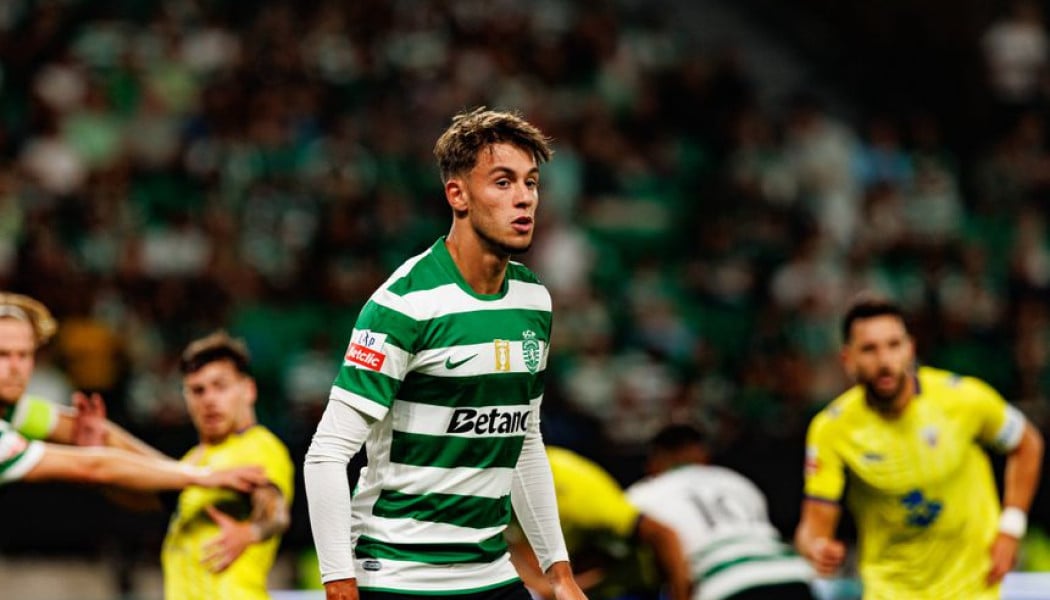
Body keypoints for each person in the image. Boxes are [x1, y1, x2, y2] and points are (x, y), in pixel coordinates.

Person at [304, 107, 588, 599]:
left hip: (491, 572)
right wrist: (339, 582)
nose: (524, 198)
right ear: (457, 195)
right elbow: (326, 454)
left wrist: (558, 573)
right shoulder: (404, 305)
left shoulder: (533, 301)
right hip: (397, 575)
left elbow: (523, 440)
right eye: (503, 182)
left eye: (531, 183)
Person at [794, 295, 1044, 599]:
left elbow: (1027, 443)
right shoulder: (831, 429)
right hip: (891, 591)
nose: (884, 361)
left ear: (910, 348)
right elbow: (813, 527)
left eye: (893, 345)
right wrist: (816, 548)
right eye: (869, 349)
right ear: (847, 359)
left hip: (975, 585)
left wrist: (1011, 529)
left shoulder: (962, 399)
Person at [0, 291, 266, 493]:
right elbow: (93, 467)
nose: (15, 368)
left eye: (24, 355)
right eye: (2, 355)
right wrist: (199, 476)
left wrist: (179, 473)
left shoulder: (14, 408)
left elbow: (86, 430)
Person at [157, 330, 295, 600]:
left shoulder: (259, 446)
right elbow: (151, 473)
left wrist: (250, 532)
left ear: (248, 390)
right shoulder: (194, 459)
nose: (208, 399)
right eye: (197, 390)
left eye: (220, 386)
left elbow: (276, 513)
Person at [627, 424, 814, 600]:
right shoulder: (736, 480)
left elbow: (668, 549)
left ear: (653, 463)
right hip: (791, 572)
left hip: (721, 581)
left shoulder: (642, 494)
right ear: (703, 455)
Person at [507, 445, 692, 600]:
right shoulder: (500, 498)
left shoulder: (574, 495)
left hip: (637, 589)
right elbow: (538, 582)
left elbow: (663, 535)